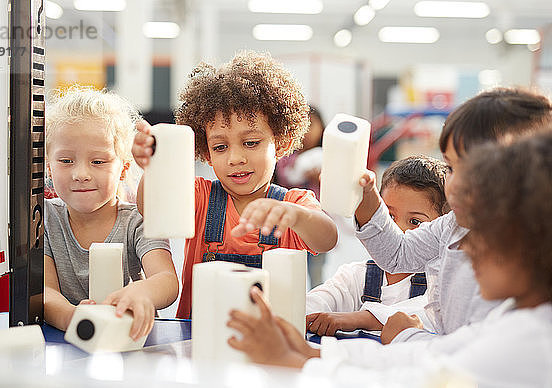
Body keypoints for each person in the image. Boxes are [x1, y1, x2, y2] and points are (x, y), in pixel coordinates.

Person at [227, 131, 552, 387]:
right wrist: (315, 353)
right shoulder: (509, 320)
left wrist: (297, 363)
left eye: (483, 236)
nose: (465, 249)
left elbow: (415, 381)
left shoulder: (529, 342)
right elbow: (428, 357)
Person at [132, 51, 338, 318]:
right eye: (220, 147)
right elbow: (151, 207)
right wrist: (153, 167)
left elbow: (327, 239)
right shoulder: (200, 197)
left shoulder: (294, 204)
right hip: (197, 339)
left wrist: (297, 217)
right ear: (206, 153)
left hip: (269, 344)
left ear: (282, 144)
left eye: (251, 143)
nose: (236, 159)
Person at [354, 87, 552, 343]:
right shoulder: (453, 224)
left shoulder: (518, 260)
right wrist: (366, 196)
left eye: (474, 170)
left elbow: (475, 354)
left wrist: (407, 337)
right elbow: (397, 254)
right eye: (450, 167)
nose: (454, 185)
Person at [43, 86, 179, 340]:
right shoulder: (46, 218)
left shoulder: (138, 220)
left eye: (98, 161)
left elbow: (167, 280)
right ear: (49, 167)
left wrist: (140, 293)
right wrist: (74, 318)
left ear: (124, 169)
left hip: (130, 340)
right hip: (69, 341)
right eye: (65, 161)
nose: (81, 174)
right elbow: (46, 292)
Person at [306, 156, 448, 336]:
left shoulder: (441, 284)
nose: (397, 229)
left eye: (414, 221)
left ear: (440, 230)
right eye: (389, 217)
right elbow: (324, 298)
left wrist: (357, 319)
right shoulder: (359, 276)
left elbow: (427, 314)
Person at [274, 106, 326, 288]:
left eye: (312, 125)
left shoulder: (326, 156)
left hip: (316, 222)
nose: (307, 132)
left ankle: (315, 305)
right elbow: (283, 177)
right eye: (303, 125)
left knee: (316, 269)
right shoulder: (286, 156)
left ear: (322, 128)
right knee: (290, 268)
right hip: (289, 225)